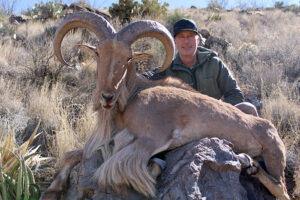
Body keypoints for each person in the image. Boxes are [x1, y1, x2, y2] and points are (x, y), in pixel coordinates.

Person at [143, 18, 258, 116]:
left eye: (190, 36)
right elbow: (143, 79)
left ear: (198, 40)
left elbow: (235, 94)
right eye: (182, 37)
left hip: (217, 118)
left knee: (248, 108)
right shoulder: (167, 69)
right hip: (184, 125)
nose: (186, 41)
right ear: (175, 42)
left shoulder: (214, 63)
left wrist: (220, 111)